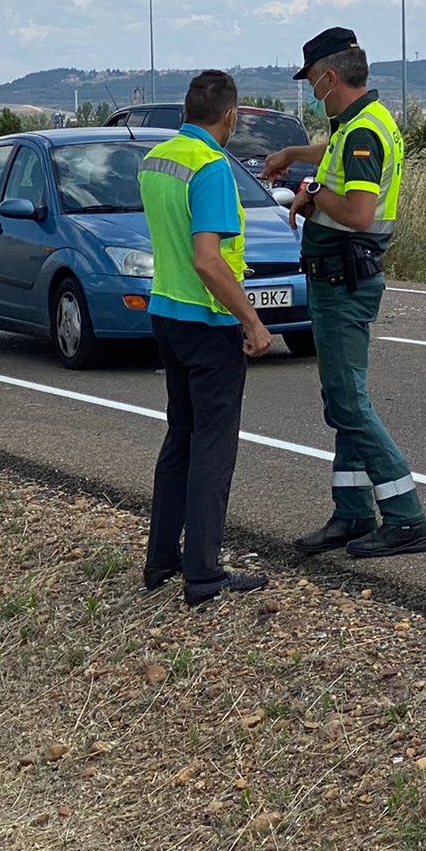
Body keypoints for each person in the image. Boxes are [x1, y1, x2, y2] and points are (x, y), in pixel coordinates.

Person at [261, 28, 426, 558]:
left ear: (331, 77)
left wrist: (311, 192)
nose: (312, 91)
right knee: (341, 397)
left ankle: (405, 517)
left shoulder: (360, 134)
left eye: (313, 81)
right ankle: (353, 511)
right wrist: (295, 151)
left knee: (349, 402)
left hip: (342, 277)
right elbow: (334, 152)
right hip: (339, 275)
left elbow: (357, 212)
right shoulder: (362, 123)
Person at [139, 68, 275, 607]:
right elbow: (208, 260)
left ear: (184, 113)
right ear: (230, 117)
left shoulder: (157, 160)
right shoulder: (213, 168)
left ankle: (161, 560)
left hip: (166, 315)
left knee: (181, 440)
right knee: (213, 449)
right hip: (208, 322)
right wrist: (253, 322)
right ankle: (204, 573)